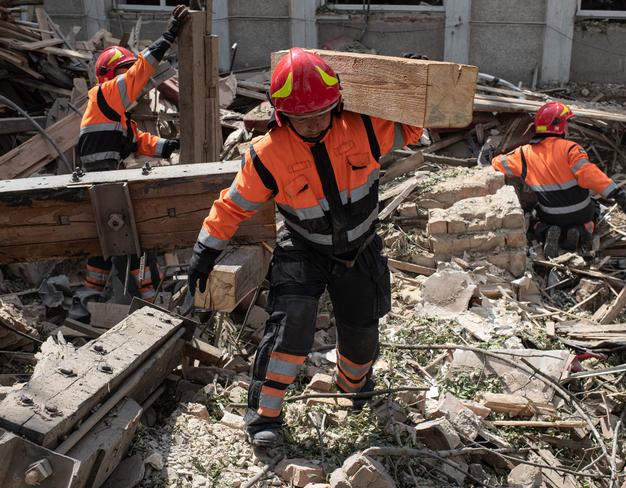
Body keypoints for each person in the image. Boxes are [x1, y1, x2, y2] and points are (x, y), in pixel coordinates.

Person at [187, 47, 423, 449]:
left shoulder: (365, 128)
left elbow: (418, 124)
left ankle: (354, 386)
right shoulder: (268, 155)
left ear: (337, 103)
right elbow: (233, 205)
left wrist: (409, 83)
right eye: (301, 116)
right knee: (290, 327)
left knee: (362, 335)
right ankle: (264, 414)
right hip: (303, 248)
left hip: (360, 248)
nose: (313, 122)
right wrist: (205, 249)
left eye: (321, 112)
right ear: (282, 114)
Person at [78, 5, 188, 302]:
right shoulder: (107, 93)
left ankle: (88, 301)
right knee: (132, 237)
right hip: (103, 179)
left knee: (105, 241)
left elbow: (139, 141)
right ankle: (149, 298)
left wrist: (170, 146)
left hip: (103, 179)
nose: (134, 86)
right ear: (112, 76)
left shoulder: (115, 114)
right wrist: (169, 36)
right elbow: (142, 71)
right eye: (124, 74)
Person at [487, 101, 626, 257]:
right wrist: (617, 193)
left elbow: (498, 164)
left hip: (551, 216)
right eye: (567, 123)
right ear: (560, 126)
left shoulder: (523, 154)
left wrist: (490, 157)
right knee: (596, 208)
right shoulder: (571, 148)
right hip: (581, 212)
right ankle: (583, 230)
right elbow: (590, 174)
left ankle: (545, 230)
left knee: (532, 217)